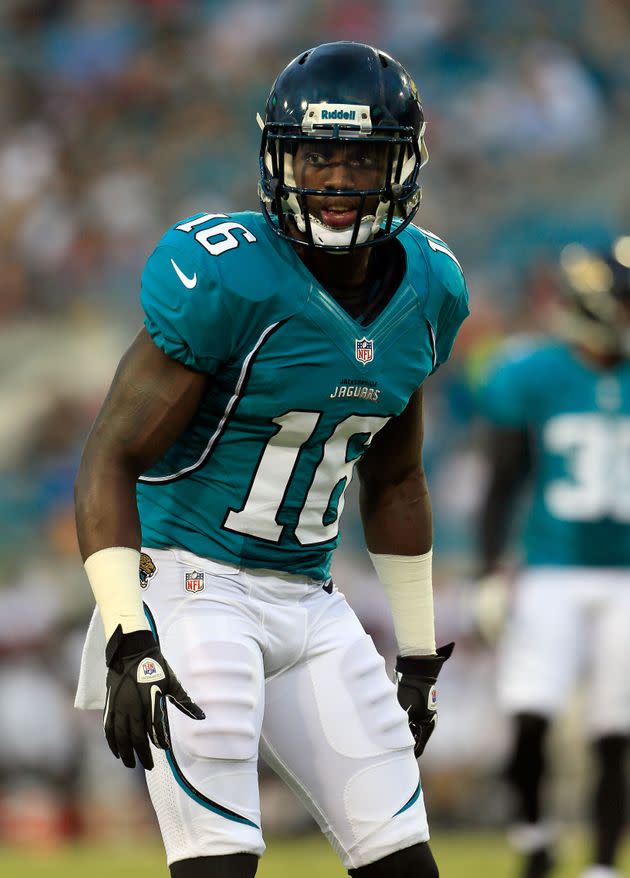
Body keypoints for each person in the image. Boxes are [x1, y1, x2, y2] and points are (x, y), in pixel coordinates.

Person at [74, 41, 469, 878]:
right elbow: (109, 457)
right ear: (276, 158)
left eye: (359, 157)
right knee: (222, 865)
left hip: (313, 602)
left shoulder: (430, 288)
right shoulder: (229, 274)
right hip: (191, 587)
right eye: (314, 155)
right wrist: (125, 633)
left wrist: (420, 652)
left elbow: (395, 477)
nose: (332, 181)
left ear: (402, 164)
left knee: (405, 865)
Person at [474, 240, 630, 878]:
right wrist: (489, 570)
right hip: (551, 569)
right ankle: (535, 841)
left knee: (615, 732)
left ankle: (599, 864)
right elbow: (503, 481)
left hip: (625, 576)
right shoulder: (533, 374)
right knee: (530, 717)